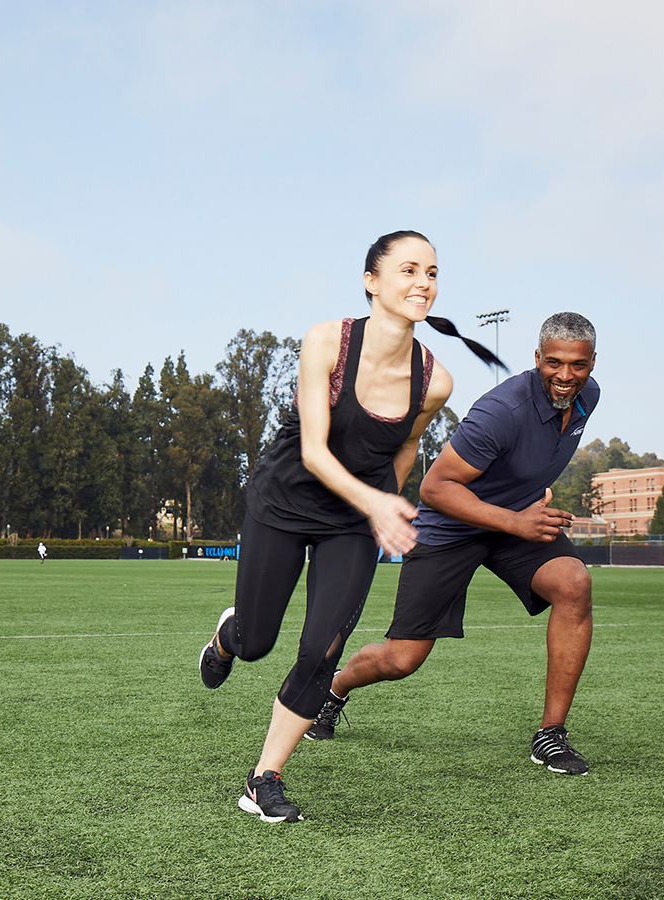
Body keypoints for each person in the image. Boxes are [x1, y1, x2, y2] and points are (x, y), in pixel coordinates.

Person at [197, 231, 505, 823]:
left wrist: (382, 506)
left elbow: (405, 450)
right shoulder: (327, 343)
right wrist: (378, 502)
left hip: (353, 522)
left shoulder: (434, 381)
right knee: (258, 642)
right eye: (409, 269)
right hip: (284, 503)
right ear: (372, 280)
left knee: (321, 648)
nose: (424, 282)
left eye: (433, 273)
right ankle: (228, 636)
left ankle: (264, 779)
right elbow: (314, 451)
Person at [307, 312, 600, 776]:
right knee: (402, 659)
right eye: (555, 363)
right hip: (452, 529)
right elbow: (435, 488)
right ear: (538, 358)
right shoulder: (500, 412)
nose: (566, 376)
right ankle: (333, 690)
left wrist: (522, 510)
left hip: (514, 523)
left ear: (592, 363)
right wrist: (515, 520)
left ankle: (550, 734)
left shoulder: (588, 398)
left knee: (573, 583)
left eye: (578, 366)